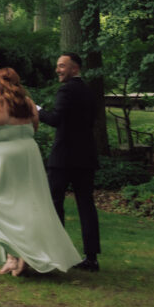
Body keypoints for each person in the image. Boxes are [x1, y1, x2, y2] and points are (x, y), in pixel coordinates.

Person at [0, 68, 82, 276]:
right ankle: (16, 257)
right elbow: (33, 128)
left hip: (1, 159)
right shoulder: (26, 102)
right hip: (28, 157)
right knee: (26, 205)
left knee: (2, 206)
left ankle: (16, 255)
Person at [38, 52, 101, 272]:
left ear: (75, 68)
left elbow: (55, 119)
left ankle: (57, 251)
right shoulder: (89, 92)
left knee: (55, 203)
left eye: (62, 66)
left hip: (64, 157)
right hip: (86, 157)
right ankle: (91, 257)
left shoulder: (66, 90)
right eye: (58, 66)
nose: (58, 70)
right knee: (86, 205)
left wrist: (36, 110)